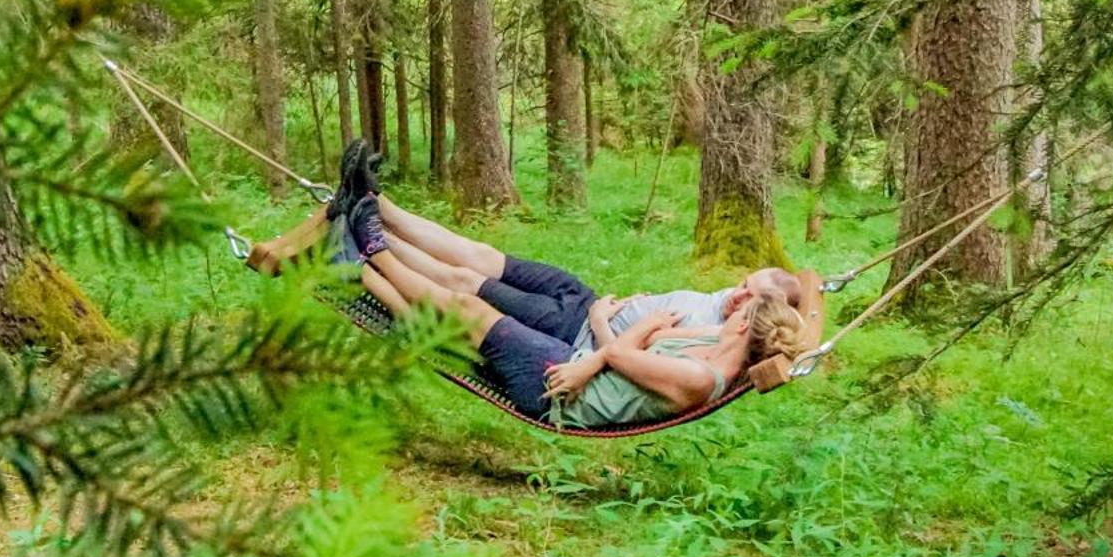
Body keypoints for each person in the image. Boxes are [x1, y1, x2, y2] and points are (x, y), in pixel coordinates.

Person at [282, 141, 809, 427]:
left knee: (466, 306)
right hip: (572, 357)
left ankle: (367, 249)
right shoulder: (712, 350)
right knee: (469, 294)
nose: (733, 299)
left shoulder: (702, 374)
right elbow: (635, 351)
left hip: (561, 385)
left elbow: (622, 358)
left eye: (743, 302)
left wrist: (609, 332)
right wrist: (635, 332)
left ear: (744, 322)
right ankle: (365, 241)